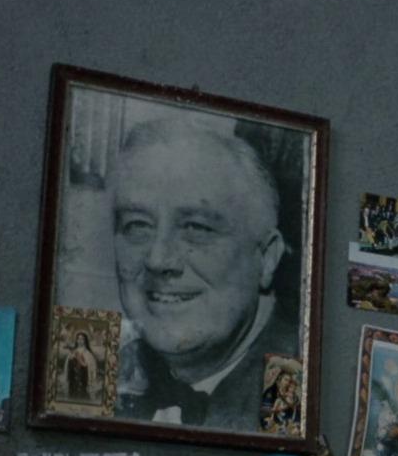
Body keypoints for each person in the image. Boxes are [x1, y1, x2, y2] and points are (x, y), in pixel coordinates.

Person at [110, 119, 296, 429]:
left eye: (197, 228)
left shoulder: (301, 391)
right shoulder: (102, 374)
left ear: (266, 259)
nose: (157, 260)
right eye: (138, 225)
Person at [63, 332, 98, 401]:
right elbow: (67, 367)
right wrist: (72, 359)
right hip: (73, 381)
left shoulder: (88, 354)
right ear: (76, 340)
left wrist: (81, 361)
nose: (80, 341)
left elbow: (91, 367)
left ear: (85, 341)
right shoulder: (72, 352)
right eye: (78, 339)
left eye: (82, 339)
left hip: (83, 380)